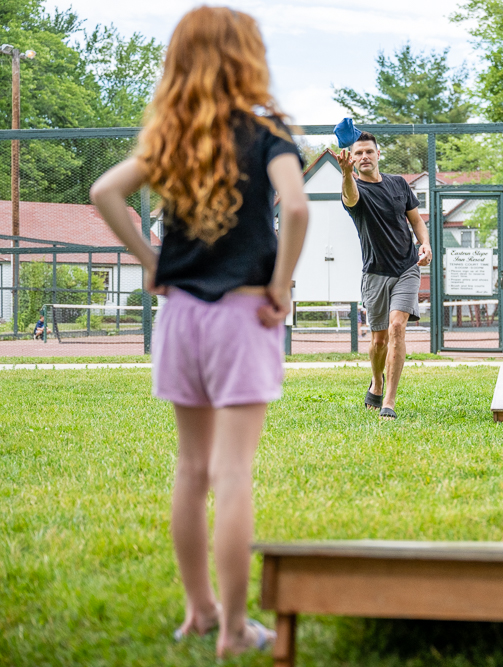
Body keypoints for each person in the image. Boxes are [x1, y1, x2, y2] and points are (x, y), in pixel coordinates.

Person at [89, 6, 309, 655]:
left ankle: (200, 611)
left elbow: (106, 192)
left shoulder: (172, 134)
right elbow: (295, 205)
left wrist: (152, 263)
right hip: (245, 315)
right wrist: (280, 282)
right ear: (248, 55)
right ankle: (236, 629)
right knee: (233, 471)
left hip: (181, 316)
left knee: (190, 468)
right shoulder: (268, 128)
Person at [336, 132, 432, 420]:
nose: (364, 156)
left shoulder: (399, 185)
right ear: (352, 159)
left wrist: (424, 243)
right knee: (378, 341)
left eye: (369, 151)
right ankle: (376, 381)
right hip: (375, 273)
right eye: (358, 153)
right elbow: (350, 197)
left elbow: (416, 220)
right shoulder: (354, 189)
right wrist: (345, 174)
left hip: (406, 267)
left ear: (378, 154)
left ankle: (389, 400)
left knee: (397, 328)